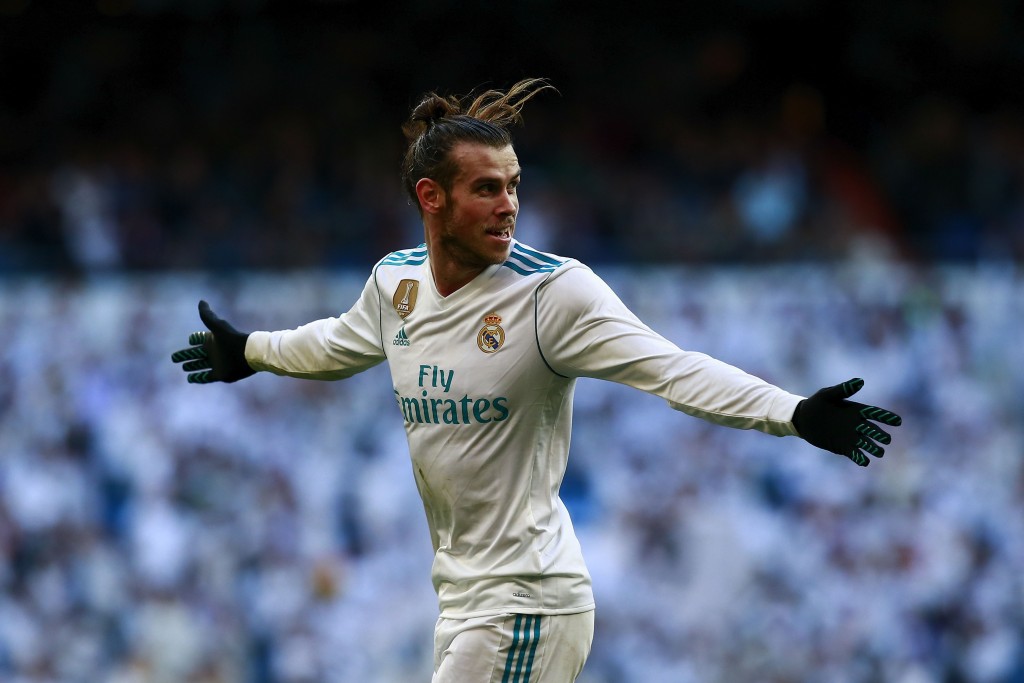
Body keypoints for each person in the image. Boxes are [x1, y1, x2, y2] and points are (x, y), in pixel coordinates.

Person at [171, 78, 902, 683]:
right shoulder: (396, 284)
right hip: (463, 600)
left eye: (514, 186)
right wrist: (252, 351)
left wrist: (793, 412)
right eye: (487, 188)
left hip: (529, 600)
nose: (510, 205)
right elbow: (336, 343)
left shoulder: (553, 294)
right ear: (431, 198)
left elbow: (672, 368)